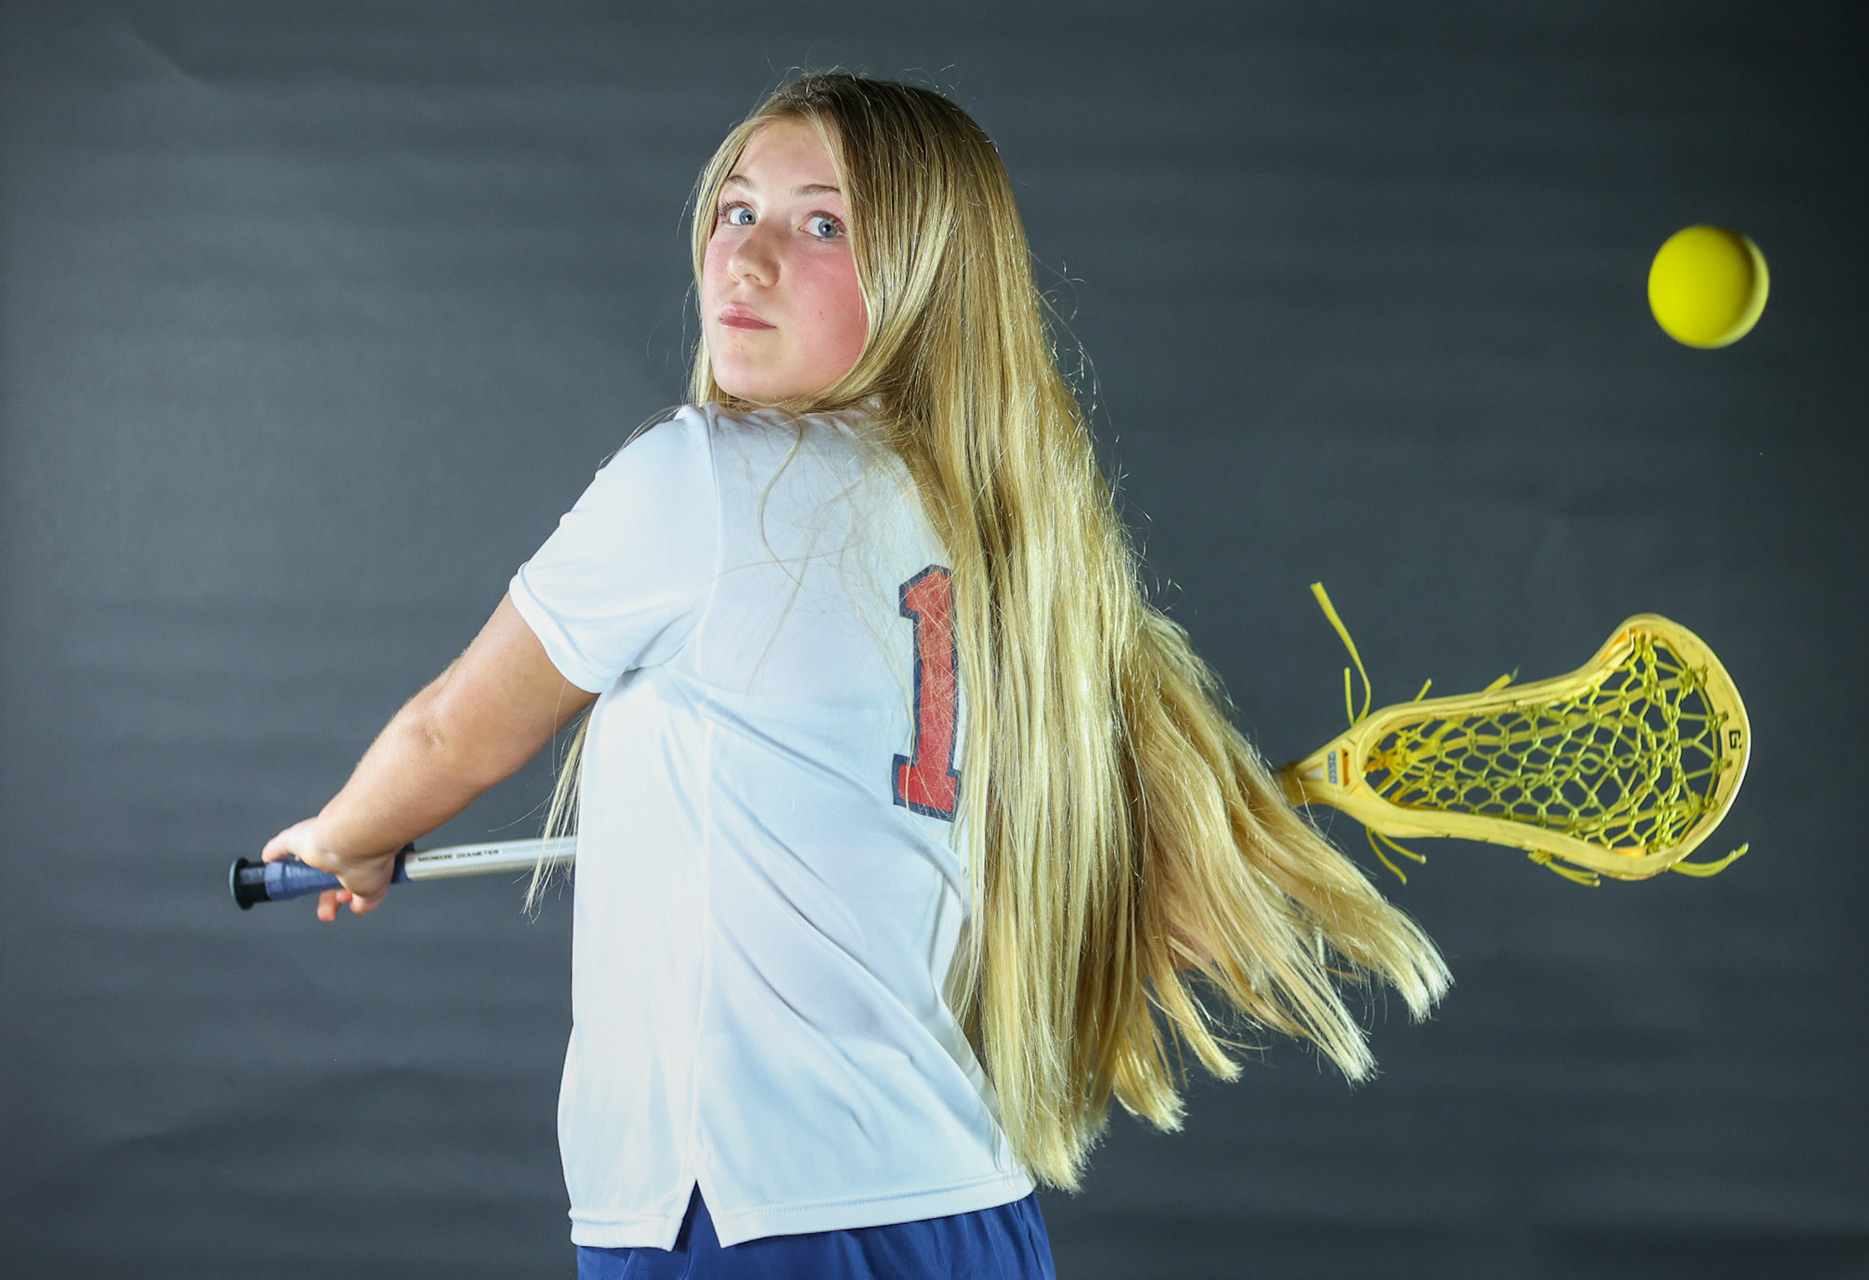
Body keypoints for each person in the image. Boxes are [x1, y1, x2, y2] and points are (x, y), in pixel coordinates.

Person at [262, 72, 1450, 1279]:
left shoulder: (698, 480)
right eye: (736, 210)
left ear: (932, 280)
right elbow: (1139, 909)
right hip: (967, 1213)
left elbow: (446, 736)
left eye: (823, 225)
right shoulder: (1014, 546)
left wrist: (349, 831)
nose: (751, 255)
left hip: (745, 1217)